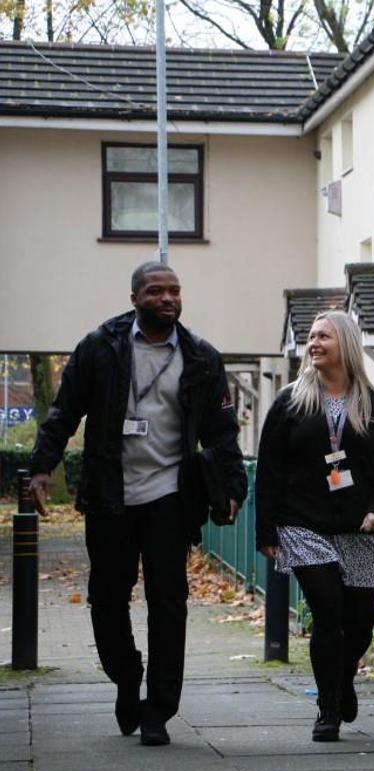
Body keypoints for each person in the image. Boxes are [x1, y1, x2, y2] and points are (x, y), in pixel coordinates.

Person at [29, 262, 247, 746]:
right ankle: (127, 676)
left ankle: (159, 711)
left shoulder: (201, 358)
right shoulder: (100, 348)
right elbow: (64, 412)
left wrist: (232, 487)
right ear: (134, 298)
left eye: (174, 290)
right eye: (156, 291)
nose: (168, 298)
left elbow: (221, 431)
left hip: (171, 497)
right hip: (110, 495)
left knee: (169, 603)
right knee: (107, 599)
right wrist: (42, 466)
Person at [255, 310, 374, 742]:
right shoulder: (290, 402)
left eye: (324, 336)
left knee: (359, 623)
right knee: (328, 611)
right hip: (303, 524)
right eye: (311, 336)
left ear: (346, 343)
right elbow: (269, 468)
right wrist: (266, 531)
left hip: (361, 527)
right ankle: (328, 710)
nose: (314, 342)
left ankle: (343, 679)